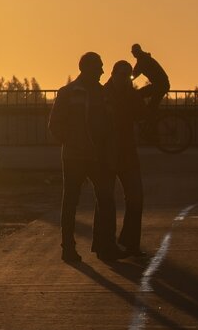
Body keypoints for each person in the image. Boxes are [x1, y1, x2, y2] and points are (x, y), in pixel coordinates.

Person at [47, 52, 121, 263]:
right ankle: (68, 248)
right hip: (75, 157)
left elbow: (110, 123)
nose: (102, 72)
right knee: (71, 202)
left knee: (106, 200)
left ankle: (105, 246)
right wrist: (71, 142)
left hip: (98, 156)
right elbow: (55, 124)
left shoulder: (103, 93)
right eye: (98, 67)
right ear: (86, 68)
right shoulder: (69, 93)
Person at [104, 60, 145, 256]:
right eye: (121, 75)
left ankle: (130, 243)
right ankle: (107, 244)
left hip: (127, 152)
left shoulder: (132, 95)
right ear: (112, 74)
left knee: (136, 198)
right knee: (106, 200)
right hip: (108, 153)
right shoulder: (103, 95)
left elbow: (142, 116)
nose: (124, 79)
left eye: (127, 75)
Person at [131, 43, 170, 140]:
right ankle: (151, 127)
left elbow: (134, 74)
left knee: (138, 95)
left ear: (137, 52)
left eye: (134, 52)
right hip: (160, 85)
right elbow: (134, 74)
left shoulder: (143, 61)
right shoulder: (143, 58)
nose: (133, 54)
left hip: (160, 86)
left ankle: (152, 130)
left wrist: (125, 81)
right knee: (151, 109)